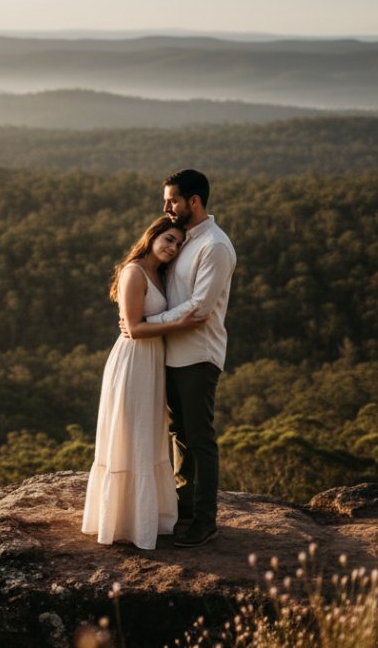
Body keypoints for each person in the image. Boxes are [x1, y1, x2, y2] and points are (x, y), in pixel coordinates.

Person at [123, 169, 236, 548]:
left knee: (200, 439)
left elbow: (199, 308)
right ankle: (184, 510)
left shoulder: (215, 246)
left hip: (198, 355)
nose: (166, 207)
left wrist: (144, 323)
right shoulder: (186, 240)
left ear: (194, 201)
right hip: (169, 354)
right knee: (180, 435)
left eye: (172, 200)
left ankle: (205, 521)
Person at [82, 217, 206, 550]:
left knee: (148, 436)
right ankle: (122, 521)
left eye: (178, 244)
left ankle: (147, 518)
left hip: (153, 363)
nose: (172, 247)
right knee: (130, 435)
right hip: (133, 361)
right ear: (151, 236)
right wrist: (179, 322)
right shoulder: (133, 272)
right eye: (168, 239)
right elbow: (134, 328)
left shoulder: (160, 274)